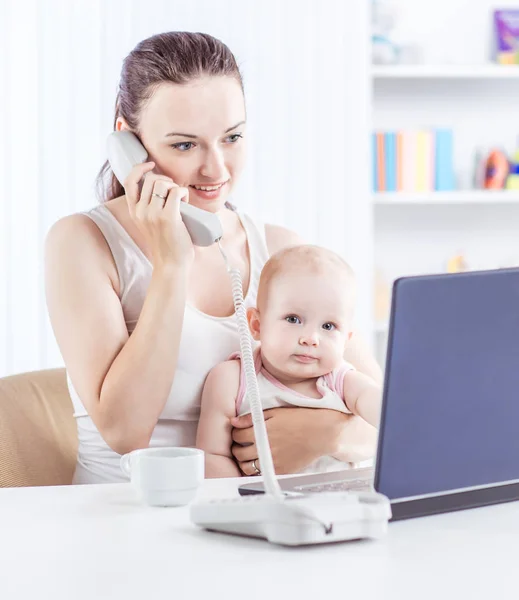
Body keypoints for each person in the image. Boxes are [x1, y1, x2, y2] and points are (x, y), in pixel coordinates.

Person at [44, 31, 381, 485]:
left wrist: (327, 436)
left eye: (232, 137)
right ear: (130, 146)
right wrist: (171, 265)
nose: (216, 170)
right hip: (129, 519)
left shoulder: (281, 250)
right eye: (185, 145)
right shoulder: (83, 243)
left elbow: (389, 416)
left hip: (259, 517)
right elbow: (124, 431)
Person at [197, 245, 381, 478]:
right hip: (263, 504)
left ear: (346, 340)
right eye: (293, 319)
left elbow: (385, 413)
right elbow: (212, 457)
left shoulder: (342, 381)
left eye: (328, 326)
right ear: (256, 325)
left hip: (339, 503)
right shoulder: (232, 379)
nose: (310, 339)